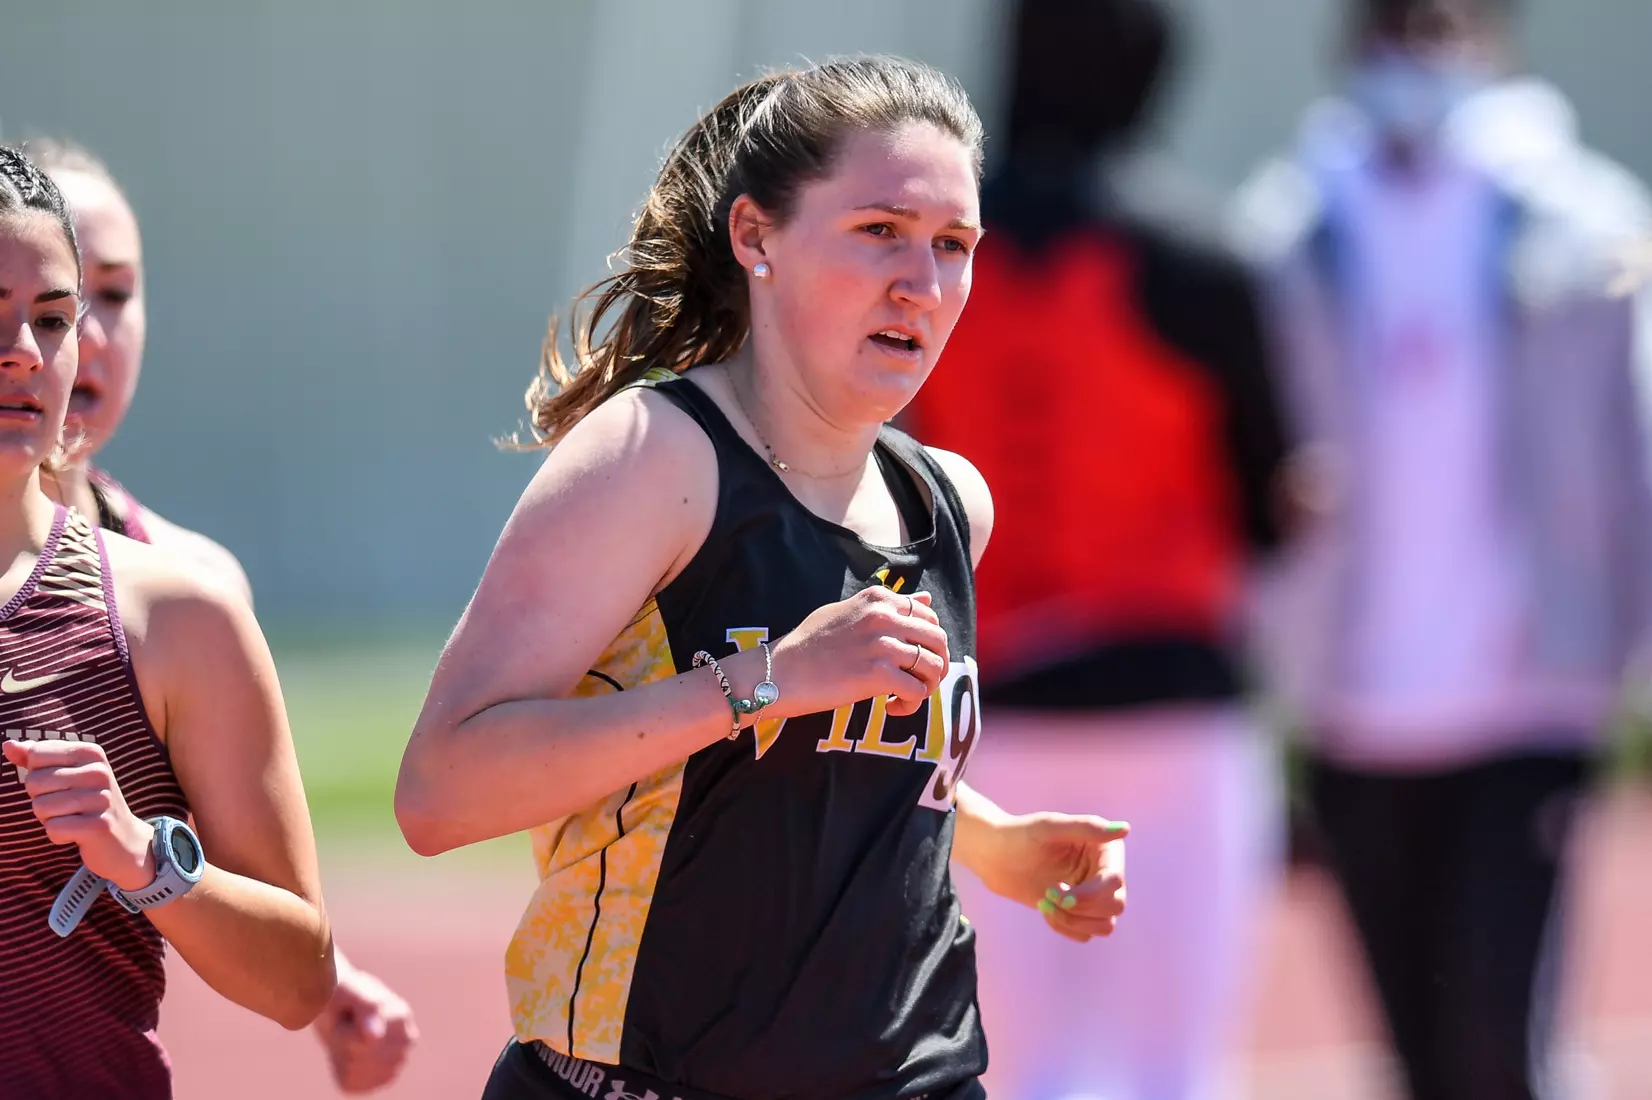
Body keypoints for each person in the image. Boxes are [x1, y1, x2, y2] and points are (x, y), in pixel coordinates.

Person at [395, 55, 1129, 1100]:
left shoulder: (947, 500)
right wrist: (766, 678)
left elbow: (817, 775)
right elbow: (439, 793)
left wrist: (991, 840)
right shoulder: (655, 459)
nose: (920, 284)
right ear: (754, 236)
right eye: (879, 229)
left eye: (951, 245)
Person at [1232, 2, 1652, 1097]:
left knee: (1494, 1048)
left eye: (1442, 23)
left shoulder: (1589, 219)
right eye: (1393, 26)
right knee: (1417, 1055)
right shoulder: (1284, 229)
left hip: (1529, 692)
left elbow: (1635, 440)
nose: (1416, 53)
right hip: (1352, 699)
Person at [901, 1, 1297, 1097]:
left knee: (1027, 1066)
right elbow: (1271, 506)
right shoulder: (1195, 255)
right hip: (1176, 706)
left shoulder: (930, 264)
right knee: (1174, 1068)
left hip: (996, 709)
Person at [25, 136, 419, 1094]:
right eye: (52, 299)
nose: (85, 335)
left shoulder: (184, 592)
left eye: (112, 294)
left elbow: (256, 893)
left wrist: (329, 985)